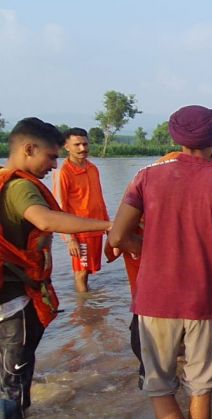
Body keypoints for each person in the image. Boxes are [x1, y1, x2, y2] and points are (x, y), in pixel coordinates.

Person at [108, 105, 212, 419]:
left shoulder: (146, 177)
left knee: (160, 388)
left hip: (155, 298)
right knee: (201, 388)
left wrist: (147, 249)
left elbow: (116, 237)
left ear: (176, 137)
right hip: (204, 300)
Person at [0, 117, 112, 417]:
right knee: (14, 376)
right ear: (28, 149)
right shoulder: (20, 187)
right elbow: (45, 219)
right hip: (13, 296)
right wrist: (108, 225)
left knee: (9, 371)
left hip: (6, 290)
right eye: (50, 157)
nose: (53, 165)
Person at [52, 127, 110, 293]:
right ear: (66, 146)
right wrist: (70, 239)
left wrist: (108, 226)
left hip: (97, 228)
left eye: (85, 144)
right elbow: (59, 207)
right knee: (81, 272)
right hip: (80, 230)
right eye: (77, 145)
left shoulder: (93, 168)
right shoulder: (63, 172)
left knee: (90, 270)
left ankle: (89, 304)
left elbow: (99, 200)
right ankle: (82, 305)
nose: (82, 148)